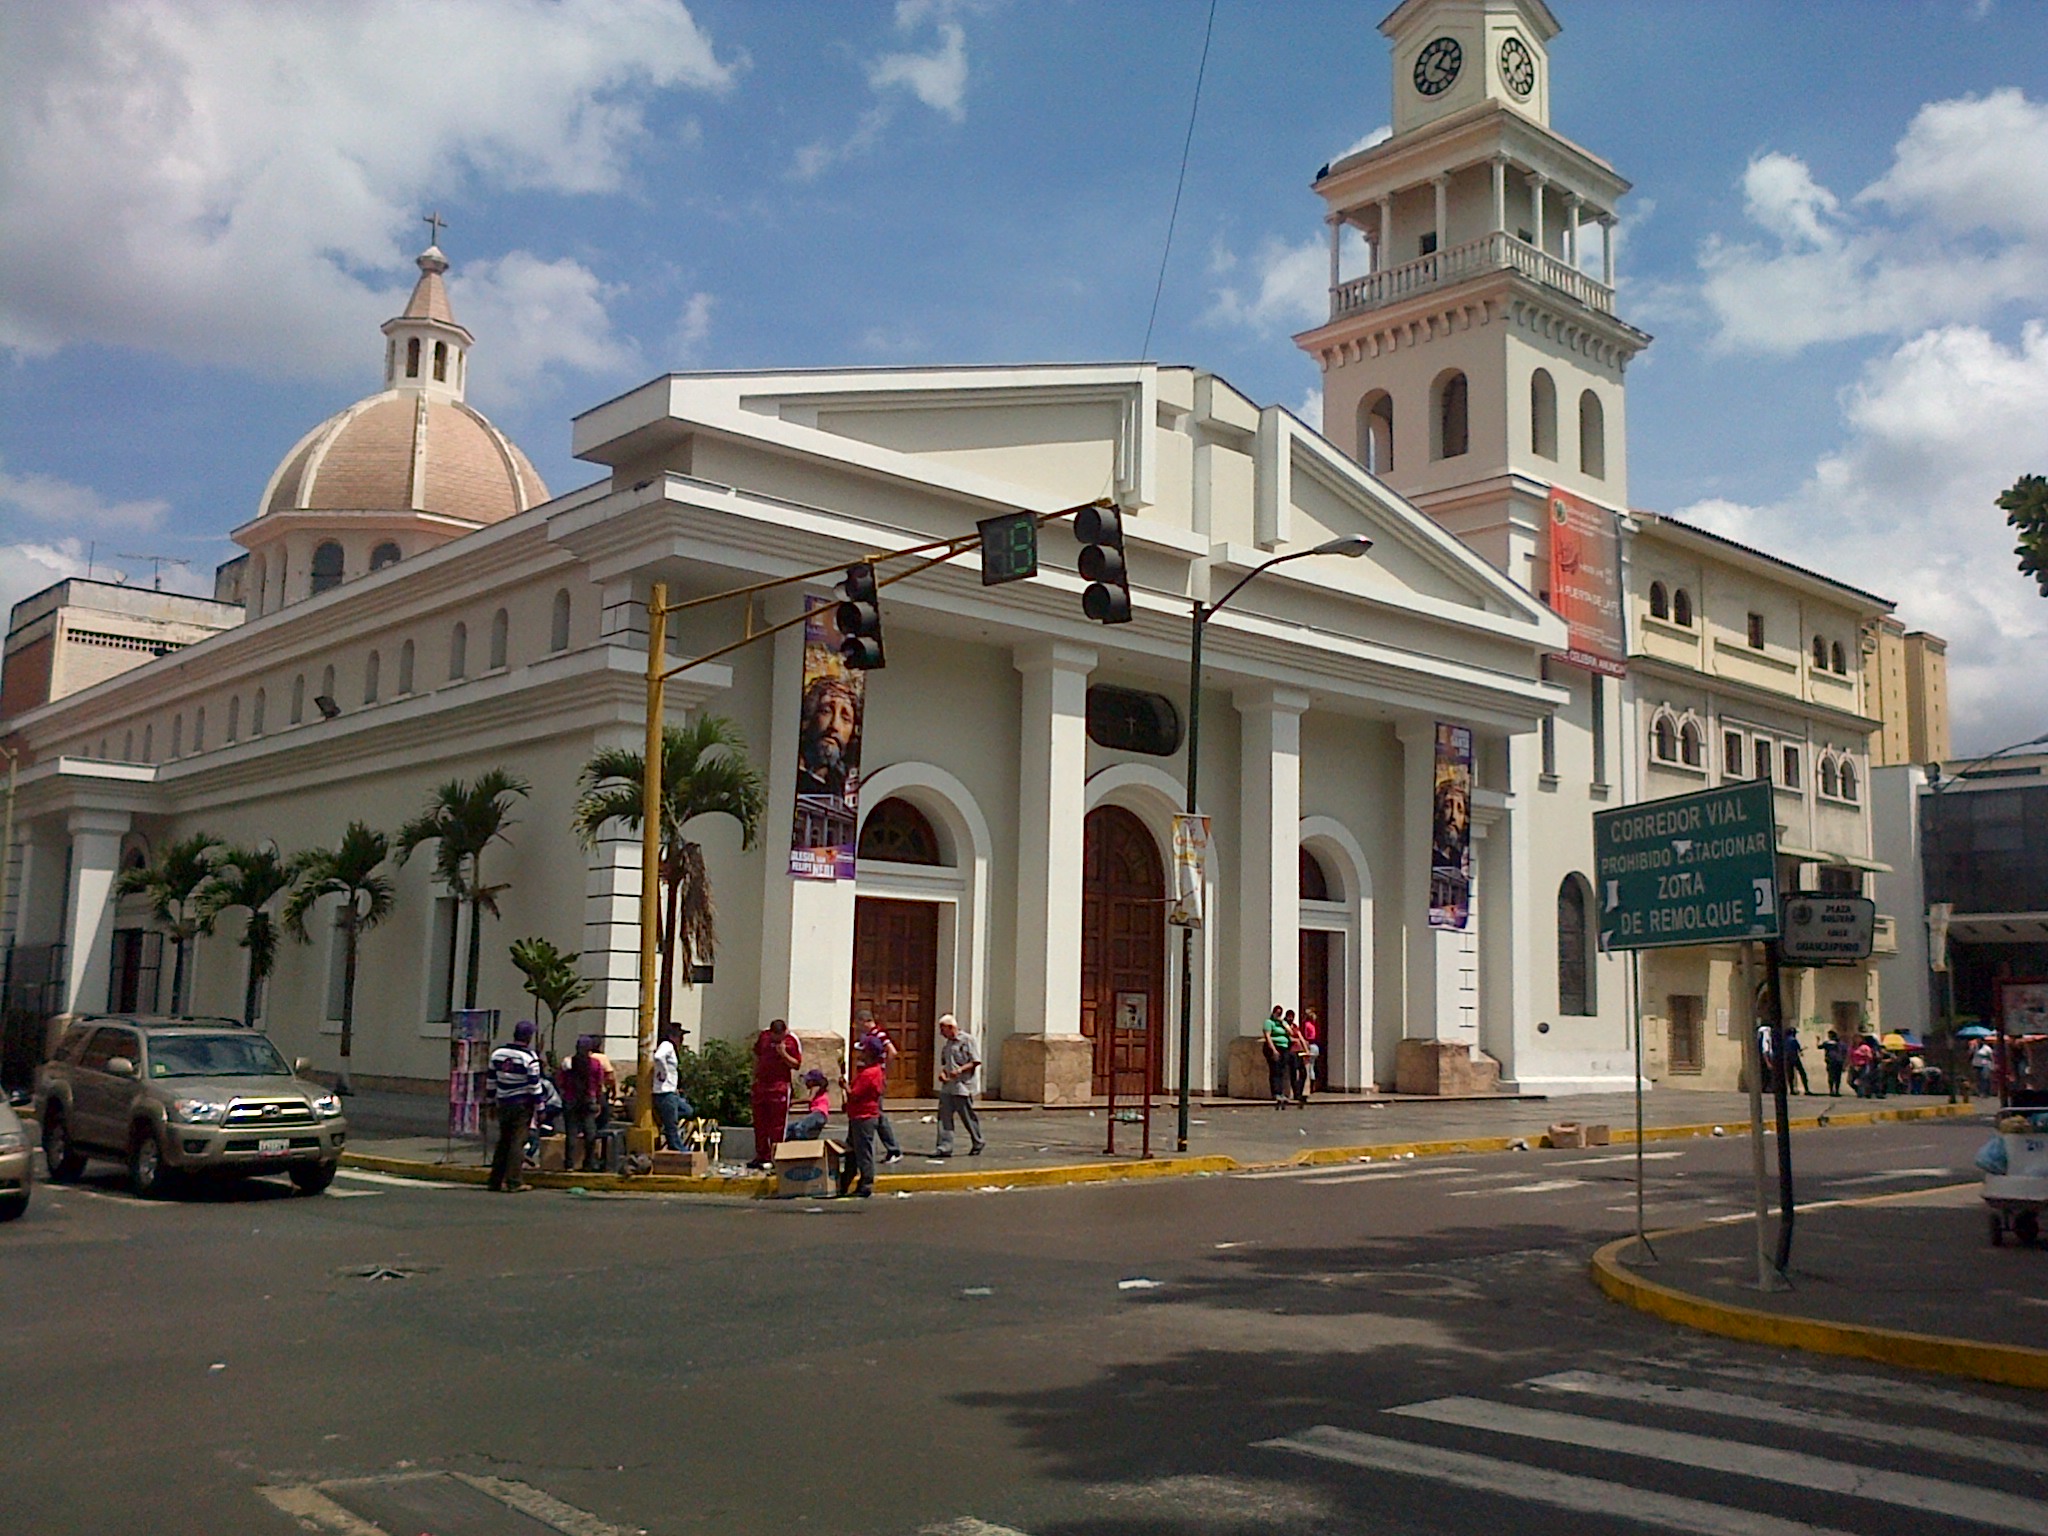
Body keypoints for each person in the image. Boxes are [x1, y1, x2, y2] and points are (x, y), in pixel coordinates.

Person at [487, 1019, 545, 1193]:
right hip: (521, 1105)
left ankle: (495, 1180)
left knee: (503, 1141)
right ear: (528, 1037)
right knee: (517, 1143)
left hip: (503, 1102)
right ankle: (514, 1180)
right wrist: (540, 1107)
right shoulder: (529, 1058)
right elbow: (534, 1085)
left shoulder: (497, 1054)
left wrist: (490, 1103)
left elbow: (491, 1081)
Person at [852, 1008, 904, 1163]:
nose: (857, 1026)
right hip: (866, 1076)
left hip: (873, 1077)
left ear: (865, 1021)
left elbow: (892, 1052)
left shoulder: (879, 1034)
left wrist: (880, 1069)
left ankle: (893, 1149)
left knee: (877, 1114)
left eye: (859, 1023)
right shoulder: (867, 1036)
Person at [751, 1018, 802, 1167]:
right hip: (762, 1085)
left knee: (777, 1125)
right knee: (760, 1123)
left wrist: (783, 1053)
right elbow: (758, 1055)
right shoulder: (764, 1037)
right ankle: (761, 1155)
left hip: (779, 1086)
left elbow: (796, 1064)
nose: (776, 1039)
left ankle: (776, 1156)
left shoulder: (791, 1041)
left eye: (779, 1036)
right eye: (775, 1036)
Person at [933, 1014, 985, 1158]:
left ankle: (977, 1140)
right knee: (944, 1117)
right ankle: (944, 1147)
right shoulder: (948, 1044)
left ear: (951, 1027)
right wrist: (943, 1073)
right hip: (948, 1087)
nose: (941, 1033)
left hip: (962, 1087)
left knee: (967, 1117)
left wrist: (961, 1070)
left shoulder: (967, 1040)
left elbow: (975, 1061)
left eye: (943, 1029)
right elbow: (945, 1063)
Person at [840, 1038, 886, 1199]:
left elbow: (855, 1094)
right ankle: (847, 1179)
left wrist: (844, 1086)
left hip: (864, 1116)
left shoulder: (869, 1074)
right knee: (853, 1150)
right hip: (859, 1115)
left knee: (863, 1151)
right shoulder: (872, 1071)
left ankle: (866, 1182)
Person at [558, 1035, 607, 1172]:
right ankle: (589, 1162)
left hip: (571, 1100)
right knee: (590, 1132)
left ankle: (569, 1164)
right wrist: (598, 1101)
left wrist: (565, 1093)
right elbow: (599, 1084)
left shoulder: (567, 1062)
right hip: (588, 1100)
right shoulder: (595, 1064)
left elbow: (560, 1081)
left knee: (571, 1133)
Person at [650, 1022, 694, 1153]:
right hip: (664, 1092)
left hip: (671, 1092)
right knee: (672, 1124)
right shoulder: (667, 1045)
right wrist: (664, 1072)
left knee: (687, 1110)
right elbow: (658, 1057)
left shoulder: (671, 1049)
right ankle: (676, 1146)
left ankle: (667, 1121)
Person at [785, 1069, 832, 1142]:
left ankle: (802, 1145)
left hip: (818, 1114)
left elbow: (809, 1099)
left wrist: (792, 1102)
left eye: (808, 1081)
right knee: (789, 1128)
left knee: (799, 1128)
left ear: (813, 1081)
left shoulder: (815, 1087)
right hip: (819, 1116)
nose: (806, 1083)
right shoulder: (819, 1090)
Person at [1262, 1005, 1293, 1109]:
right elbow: (1267, 1036)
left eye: (1280, 1013)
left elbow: (1291, 1032)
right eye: (1277, 1013)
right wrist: (1273, 1050)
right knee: (1275, 1069)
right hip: (1274, 1047)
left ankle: (1282, 1092)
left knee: (1282, 1070)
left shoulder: (1282, 1023)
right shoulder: (1268, 1022)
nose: (1278, 1015)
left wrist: (1283, 1023)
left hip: (1284, 1048)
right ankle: (1276, 1092)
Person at [1284, 1010, 1310, 1106]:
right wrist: (1296, 1040)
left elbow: (1301, 1037)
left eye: (1292, 1017)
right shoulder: (1284, 1026)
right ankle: (1296, 1093)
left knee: (1303, 1072)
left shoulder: (1294, 1026)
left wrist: (1306, 1049)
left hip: (1299, 1051)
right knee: (1293, 1072)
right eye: (1289, 1017)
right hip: (1291, 1051)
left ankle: (1299, 1091)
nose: (1291, 1019)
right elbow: (1287, 1037)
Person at [1299, 1007, 1323, 1100]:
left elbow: (1305, 1035)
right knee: (1313, 1065)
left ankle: (1309, 1087)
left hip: (1309, 1045)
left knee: (1308, 1067)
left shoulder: (1306, 1024)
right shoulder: (1314, 1024)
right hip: (1316, 1046)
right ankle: (1313, 1085)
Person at [1782, 1026, 1811, 1095]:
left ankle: (1791, 1089)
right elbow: (1798, 1049)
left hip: (1787, 1058)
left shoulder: (1784, 1040)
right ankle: (1806, 1089)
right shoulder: (1793, 1040)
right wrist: (1803, 1049)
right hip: (1794, 1058)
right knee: (1802, 1073)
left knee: (1790, 1074)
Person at [1821, 1029, 1845, 1097]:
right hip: (1838, 1061)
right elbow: (1844, 1051)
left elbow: (1819, 1046)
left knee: (1831, 1076)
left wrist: (1818, 1040)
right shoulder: (1840, 1043)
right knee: (1838, 1077)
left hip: (1830, 1061)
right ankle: (1837, 1091)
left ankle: (1831, 1090)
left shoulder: (1827, 1043)